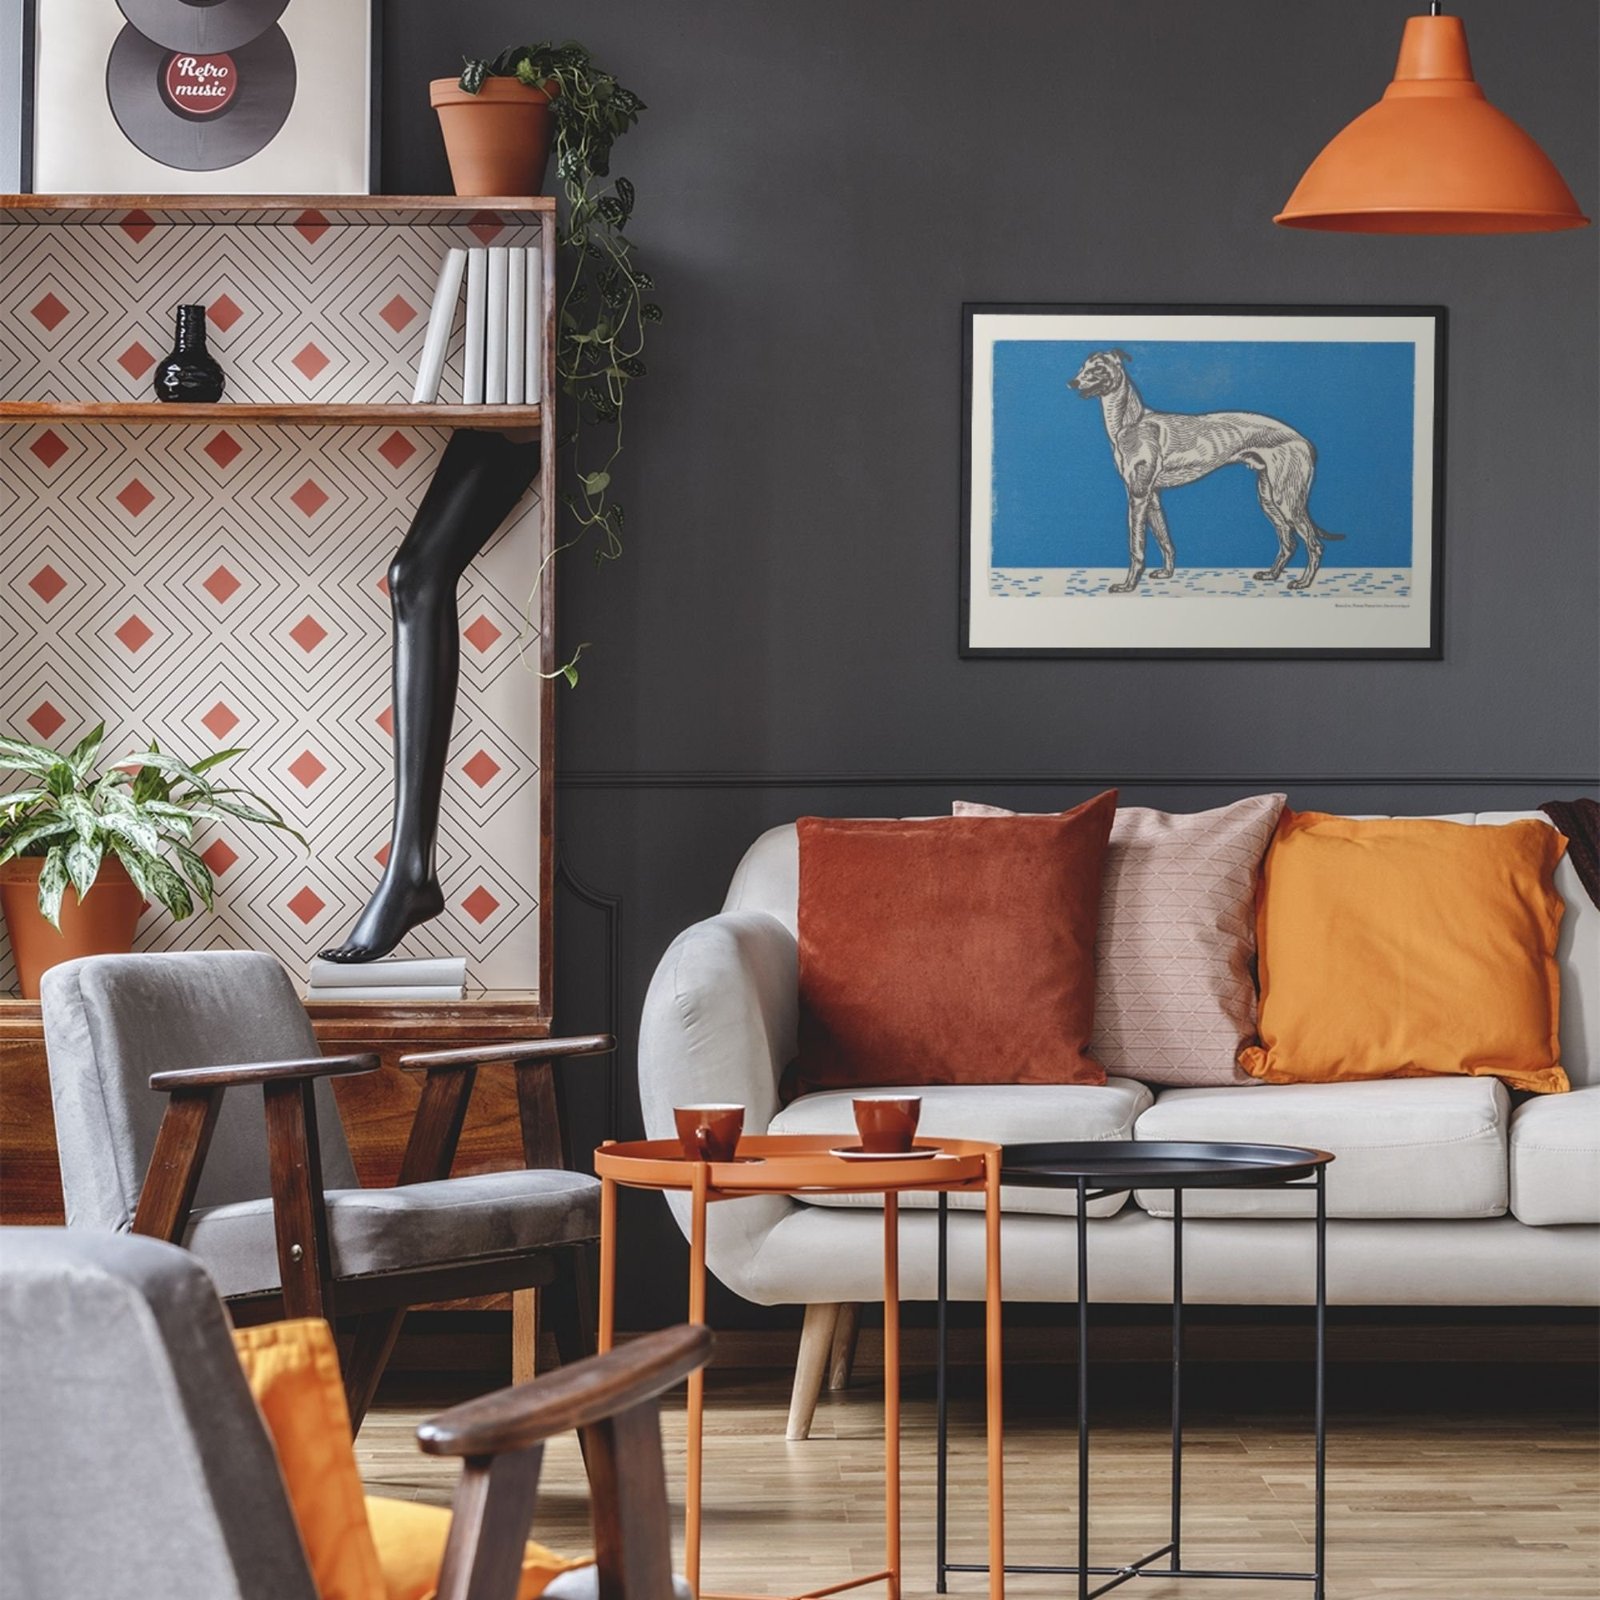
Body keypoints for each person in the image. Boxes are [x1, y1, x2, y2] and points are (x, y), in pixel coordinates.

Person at [318, 429, 540, 964]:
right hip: (503, 400)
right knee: (414, 577)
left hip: (527, 393)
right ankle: (410, 869)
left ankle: (410, 870)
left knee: (415, 577)